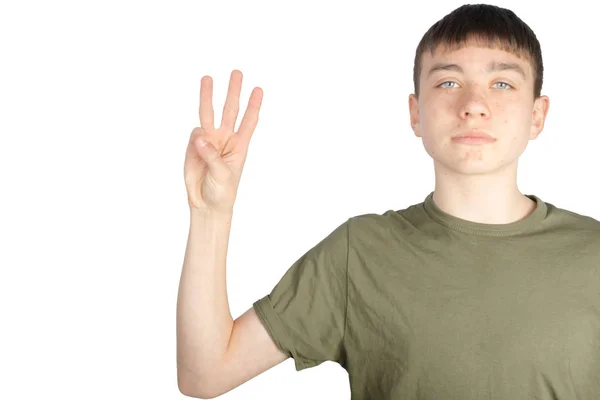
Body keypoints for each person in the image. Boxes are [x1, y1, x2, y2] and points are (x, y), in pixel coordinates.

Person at [177, 3, 600, 399]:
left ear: (537, 115)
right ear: (416, 113)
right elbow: (205, 372)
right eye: (449, 82)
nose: (474, 105)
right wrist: (210, 212)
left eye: (502, 83)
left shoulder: (592, 253)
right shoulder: (359, 252)